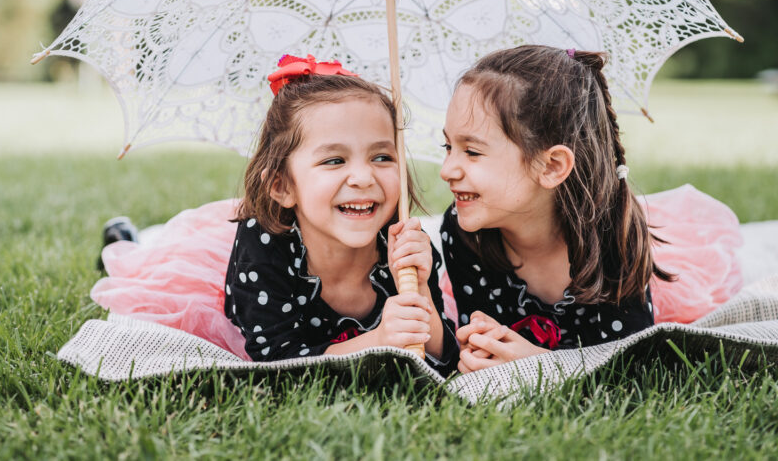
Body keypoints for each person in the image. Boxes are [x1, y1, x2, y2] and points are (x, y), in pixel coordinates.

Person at [92, 54, 458, 373]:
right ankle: (133, 239)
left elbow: (442, 356)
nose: (363, 177)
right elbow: (278, 361)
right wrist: (376, 342)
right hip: (248, 264)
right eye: (334, 160)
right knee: (159, 264)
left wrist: (421, 293)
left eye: (382, 157)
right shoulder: (263, 247)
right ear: (282, 186)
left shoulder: (405, 241)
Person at [438, 46, 742, 374]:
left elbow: (630, 365)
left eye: (471, 151)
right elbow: (480, 342)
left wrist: (541, 364)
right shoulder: (464, 232)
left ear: (552, 166)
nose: (447, 170)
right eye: (448, 147)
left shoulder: (614, 235)